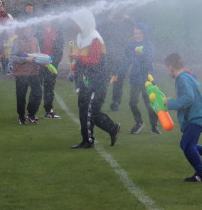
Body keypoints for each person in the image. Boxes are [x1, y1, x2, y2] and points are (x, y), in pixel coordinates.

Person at [163, 53, 202, 182]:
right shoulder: (187, 75)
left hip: (196, 117)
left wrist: (171, 104)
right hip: (198, 116)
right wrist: (172, 101)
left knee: (186, 145)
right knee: (189, 144)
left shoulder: (181, 78)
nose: (167, 72)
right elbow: (187, 96)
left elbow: (188, 98)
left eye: (166, 69)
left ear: (171, 66)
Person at [68, 9, 120, 149]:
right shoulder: (81, 36)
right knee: (86, 110)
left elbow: (94, 61)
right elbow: (81, 59)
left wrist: (77, 58)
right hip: (86, 80)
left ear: (84, 23)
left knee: (89, 111)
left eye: (77, 23)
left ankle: (88, 141)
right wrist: (74, 71)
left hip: (98, 81)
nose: (75, 26)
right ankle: (111, 128)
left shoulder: (94, 38)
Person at [117, 22, 160, 134]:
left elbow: (149, 60)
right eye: (135, 33)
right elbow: (125, 62)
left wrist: (142, 54)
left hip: (147, 80)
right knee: (132, 102)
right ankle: (139, 122)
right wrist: (118, 74)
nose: (137, 35)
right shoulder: (130, 46)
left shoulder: (149, 45)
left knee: (150, 104)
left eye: (140, 33)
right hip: (135, 79)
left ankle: (154, 126)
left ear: (144, 34)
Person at [100, 10, 134, 111]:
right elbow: (97, 26)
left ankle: (116, 102)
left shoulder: (126, 25)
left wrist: (129, 19)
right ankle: (100, 100)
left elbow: (137, 28)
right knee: (104, 80)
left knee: (118, 81)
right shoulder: (107, 24)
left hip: (121, 58)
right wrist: (107, 19)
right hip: (108, 57)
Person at [10, 24, 42, 124]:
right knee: (21, 95)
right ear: (22, 30)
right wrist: (25, 59)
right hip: (21, 72)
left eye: (29, 28)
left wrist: (41, 60)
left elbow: (38, 54)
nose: (28, 30)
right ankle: (21, 116)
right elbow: (13, 57)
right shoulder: (17, 41)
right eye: (26, 28)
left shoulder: (35, 40)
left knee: (37, 93)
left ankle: (31, 114)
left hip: (33, 71)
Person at [40, 15, 63, 119]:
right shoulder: (38, 32)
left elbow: (60, 49)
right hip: (39, 63)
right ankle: (30, 112)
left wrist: (54, 63)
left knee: (49, 87)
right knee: (36, 88)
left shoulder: (57, 32)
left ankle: (48, 110)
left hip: (52, 64)